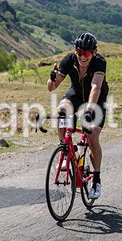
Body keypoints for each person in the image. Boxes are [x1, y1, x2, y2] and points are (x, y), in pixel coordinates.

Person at [48, 32, 108, 199]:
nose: (83, 56)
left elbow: (96, 87)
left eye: (87, 53)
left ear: (94, 52)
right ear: (75, 51)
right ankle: (65, 149)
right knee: (62, 112)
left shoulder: (99, 62)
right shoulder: (69, 60)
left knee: (92, 135)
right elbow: (51, 88)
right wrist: (51, 79)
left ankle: (96, 179)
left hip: (96, 98)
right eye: (80, 52)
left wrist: (89, 110)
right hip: (75, 94)